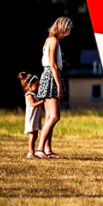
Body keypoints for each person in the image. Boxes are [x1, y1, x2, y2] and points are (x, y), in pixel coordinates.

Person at [36, 16, 72, 159]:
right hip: (52, 76)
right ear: (63, 28)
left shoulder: (48, 40)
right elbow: (53, 65)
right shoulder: (54, 41)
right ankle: (40, 149)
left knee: (49, 116)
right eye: (68, 28)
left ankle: (48, 149)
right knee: (55, 116)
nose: (69, 31)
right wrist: (59, 85)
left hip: (47, 74)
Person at [18, 72, 45, 158]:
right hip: (32, 118)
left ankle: (32, 151)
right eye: (36, 85)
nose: (38, 87)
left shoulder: (34, 94)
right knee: (32, 136)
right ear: (30, 86)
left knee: (35, 135)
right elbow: (34, 105)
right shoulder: (29, 95)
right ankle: (31, 152)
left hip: (35, 117)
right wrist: (43, 101)